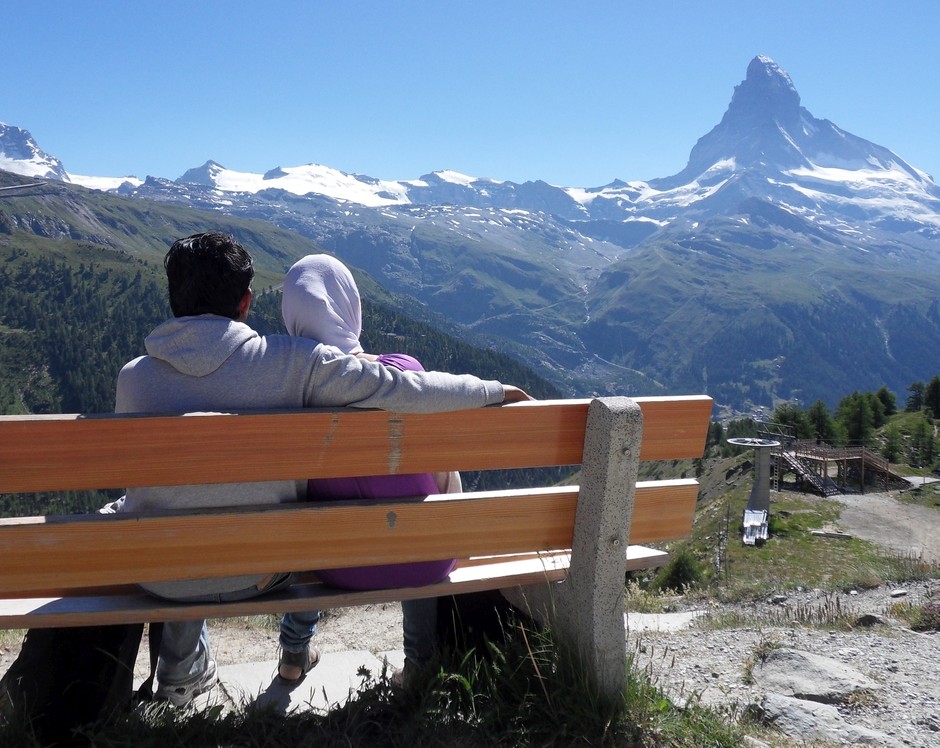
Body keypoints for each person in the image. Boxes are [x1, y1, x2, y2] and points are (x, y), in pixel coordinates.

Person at [114, 232, 532, 705]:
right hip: (263, 571)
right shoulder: (292, 364)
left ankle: (178, 676)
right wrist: (491, 390)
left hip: (158, 574)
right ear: (246, 302)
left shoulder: (134, 379)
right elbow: (402, 388)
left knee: (178, 517)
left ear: (173, 298)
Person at [282, 253, 457, 681]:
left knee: (304, 513)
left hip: (334, 562)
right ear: (350, 306)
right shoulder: (405, 372)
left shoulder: (291, 388)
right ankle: (418, 666)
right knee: (432, 489)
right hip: (426, 560)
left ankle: (293, 656)